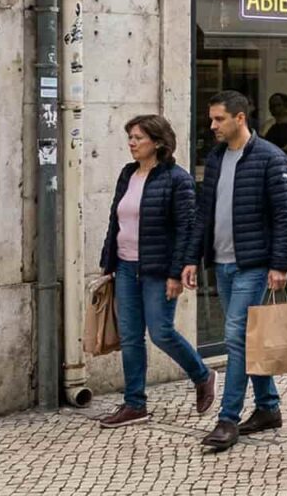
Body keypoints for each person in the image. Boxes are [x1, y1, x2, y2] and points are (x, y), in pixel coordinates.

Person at [188, 91, 287, 451]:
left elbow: (284, 217)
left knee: (235, 337)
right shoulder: (216, 158)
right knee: (249, 338)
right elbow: (203, 213)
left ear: (240, 118)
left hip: (254, 263)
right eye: (211, 119)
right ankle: (268, 407)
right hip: (222, 262)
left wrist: (279, 265)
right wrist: (191, 258)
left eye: (219, 119)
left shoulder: (270, 157)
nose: (212, 126)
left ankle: (227, 419)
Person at [96, 115, 214, 429]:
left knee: (161, 332)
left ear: (158, 142)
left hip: (159, 270)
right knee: (131, 337)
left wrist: (176, 274)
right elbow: (115, 221)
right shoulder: (128, 174)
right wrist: (109, 262)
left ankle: (202, 375)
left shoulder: (177, 179)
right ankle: (135, 404)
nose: (132, 143)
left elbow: (186, 229)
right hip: (126, 266)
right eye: (130, 137)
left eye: (138, 138)